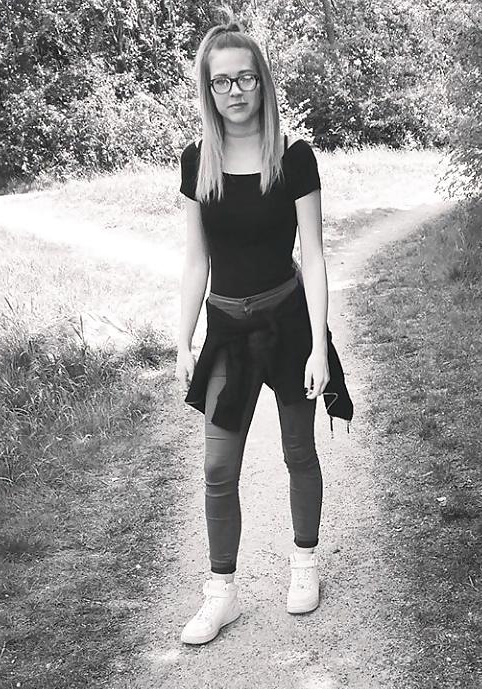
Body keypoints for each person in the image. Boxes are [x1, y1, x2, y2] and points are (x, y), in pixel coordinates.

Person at [174, 21, 353, 645]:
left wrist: (320, 346)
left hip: (287, 324)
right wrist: (182, 340)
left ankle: (304, 563)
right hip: (227, 329)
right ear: (208, 89)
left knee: (298, 451)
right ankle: (220, 593)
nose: (234, 91)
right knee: (218, 466)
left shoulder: (294, 158)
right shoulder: (196, 161)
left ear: (262, 82)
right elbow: (195, 261)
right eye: (221, 81)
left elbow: (316, 257)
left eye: (245, 78)